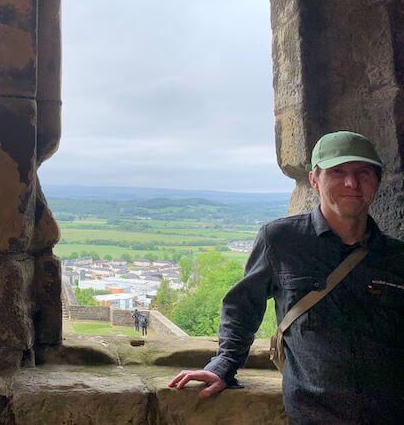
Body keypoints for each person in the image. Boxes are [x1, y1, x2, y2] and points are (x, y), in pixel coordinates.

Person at [168, 131, 404, 424]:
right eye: (337, 171)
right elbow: (242, 306)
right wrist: (223, 366)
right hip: (314, 415)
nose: (351, 183)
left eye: (363, 173)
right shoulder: (280, 240)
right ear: (315, 180)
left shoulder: (397, 257)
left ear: (377, 182)